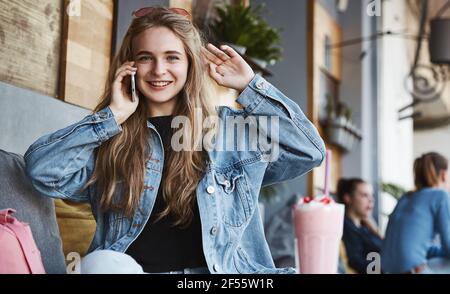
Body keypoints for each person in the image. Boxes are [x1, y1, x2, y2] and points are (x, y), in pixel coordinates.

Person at [24, 7, 325, 274]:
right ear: (130, 65)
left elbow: (309, 150)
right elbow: (42, 171)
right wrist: (112, 115)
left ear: (190, 64)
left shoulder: (228, 131)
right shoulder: (109, 139)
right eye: (146, 58)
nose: (158, 70)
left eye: (172, 57)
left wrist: (250, 87)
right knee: (102, 264)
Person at [381, 152, 450, 274]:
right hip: (414, 270)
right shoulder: (440, 196)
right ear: (443, 175)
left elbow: (415, 246)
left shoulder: (405, 198)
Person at [337, 178, 383, 274]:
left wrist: (374, 227)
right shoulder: (346, 227)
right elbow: (356, 262)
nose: (371, 200)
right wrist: (388, 266)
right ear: (348, 198)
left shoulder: (366, 227)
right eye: (364, 195)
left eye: (371, 195)